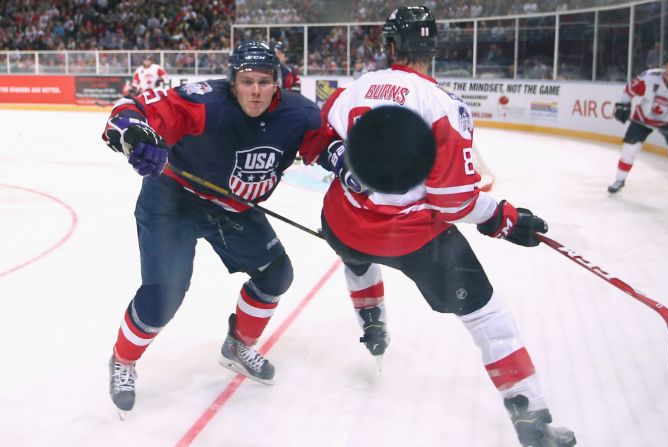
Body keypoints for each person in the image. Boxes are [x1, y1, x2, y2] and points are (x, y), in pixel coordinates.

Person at [300, 6, 576, 447]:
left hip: (342, 222)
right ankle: (533, 424)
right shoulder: (444, 106)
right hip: (412, 240)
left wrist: (340, 159)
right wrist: (505, 219)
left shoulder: (354, 89)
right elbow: (455, 201)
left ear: (390, 46)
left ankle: (371, 319)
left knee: (354, 251)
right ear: (432, 49)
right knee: (490, 319)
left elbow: (315, 136)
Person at [102, 41, 321, 416]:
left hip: (231, 206)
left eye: (264, 82)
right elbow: (131, 111)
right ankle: (122, 361)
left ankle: (237, 345)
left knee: (276, 274)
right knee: (162, 297)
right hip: (174, 200)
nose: (254, 90)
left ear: (278, 84)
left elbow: (327, 145)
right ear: (232, 81)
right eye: (246, 81)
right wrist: (135, 134)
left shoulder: (300, 115)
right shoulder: (203, 102)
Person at [609, 50, 668, 199]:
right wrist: (624, 106)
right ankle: (619, 180)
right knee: (630, 148)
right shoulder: (649, 78)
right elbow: (630, 90)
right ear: (664, 66)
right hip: (643, 118)